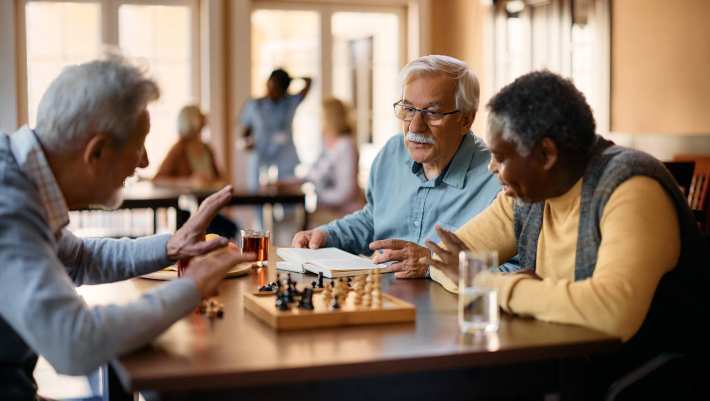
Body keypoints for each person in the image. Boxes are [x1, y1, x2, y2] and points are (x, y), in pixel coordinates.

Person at [426, 71, 708, 397]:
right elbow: (445, 261)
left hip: (651, 378)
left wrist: (489, 283)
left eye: (501, 157)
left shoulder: (630, 186)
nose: (492, 168)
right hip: (568, 365)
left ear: (546, 154)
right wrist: (498, 284)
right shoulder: (526, 195)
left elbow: (611, 313)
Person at [0, 55, 255, 400]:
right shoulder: (9, 205)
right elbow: (74, 343)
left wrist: (172, 246)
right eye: (140, 145)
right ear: (98, 151)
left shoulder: (19, 179)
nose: (145, 161)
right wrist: (192, 287)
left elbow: (80, 259)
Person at [291, 55, 502, 278]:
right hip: (385, 298)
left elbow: (511, 270)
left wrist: (433, 265)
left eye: (432, 113)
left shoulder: (496, 180)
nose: (415, 126)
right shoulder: (392, 153)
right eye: (408, 110)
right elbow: (373, 219)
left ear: (466, 120)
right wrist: (328, 235)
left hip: (450, 310)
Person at [154, 105, 238, 238]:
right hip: (187, 210)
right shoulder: (178, 149)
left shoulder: (207, 148)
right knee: (222, 230)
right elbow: (158, 179)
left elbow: (222, 179)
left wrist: (212, 182)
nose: (204, 119)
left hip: (208, 209)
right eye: (199, 116)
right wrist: (188, 182)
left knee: (231, 228)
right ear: (190, 121)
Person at [280, 97, 363, 225]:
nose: (318, 121)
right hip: (326, 211)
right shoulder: (327, 143)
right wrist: (288, 183)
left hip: (346, 215)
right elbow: (315, 172)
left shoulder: (346, 146)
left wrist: (318, 196)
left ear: (331, 118)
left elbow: (346, 191)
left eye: (321, 116)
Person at [240, 68, 313, 190]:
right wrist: (246, 143)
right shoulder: (255, 105)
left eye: (277, 89)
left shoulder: (290, 102)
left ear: (284, 90)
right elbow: (245, 130)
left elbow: (309, 81)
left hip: (284, 154)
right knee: (256, 191)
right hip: (260, 152)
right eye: (271, 86)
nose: (272, 92)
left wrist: (291, 79)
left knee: (287, 191)